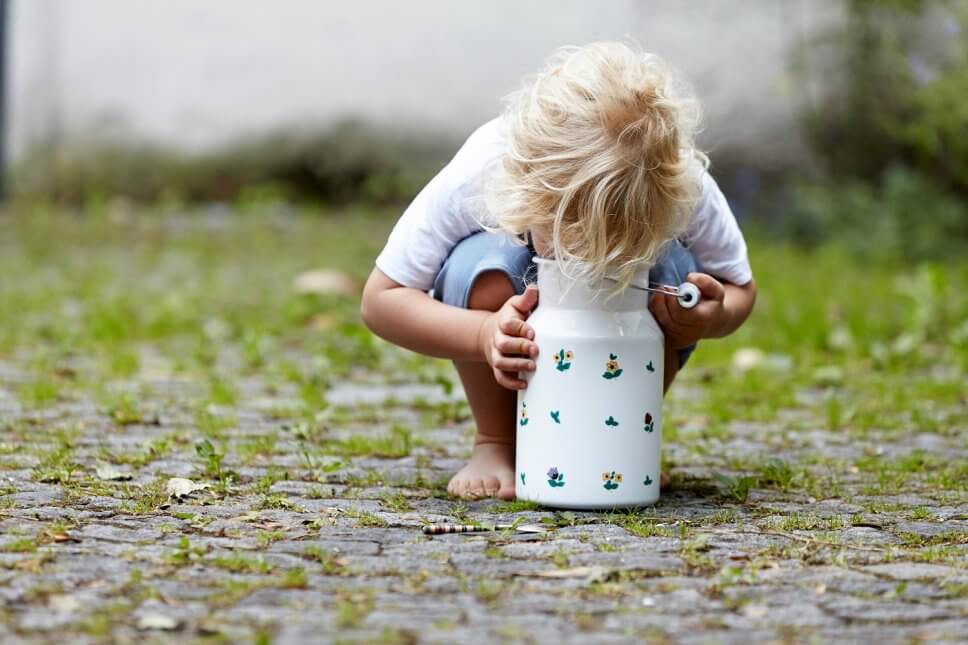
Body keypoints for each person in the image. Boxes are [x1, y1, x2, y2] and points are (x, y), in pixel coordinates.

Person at [360, 41, 757, 500]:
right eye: (569, 240)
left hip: (628, 333)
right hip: (516, 317)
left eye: (616, 243)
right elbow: (381, 301)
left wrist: (711, 316)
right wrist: (484, 332)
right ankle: (497, 443)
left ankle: (619, 445)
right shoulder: (487, 165)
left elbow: (740, 288)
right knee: (482, 265)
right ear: (527, 181)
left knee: (676, 273)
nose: (585, 264)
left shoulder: (678, 180)